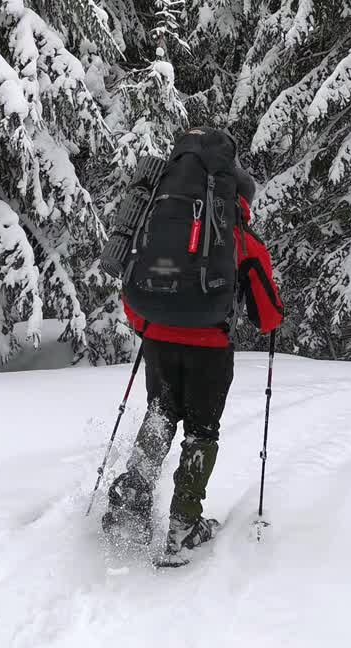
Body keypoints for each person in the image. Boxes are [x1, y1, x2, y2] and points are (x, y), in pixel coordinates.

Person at [102, 166, 284, 557]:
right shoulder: (240, 239)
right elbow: (267, 316)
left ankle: (132, 498)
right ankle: (183, 526)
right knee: (201, 431)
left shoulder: (164, 223)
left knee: (161, 414)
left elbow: (137, 282)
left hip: (158, 342)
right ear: (243, 200)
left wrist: (148, 327)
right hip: (210, 349)